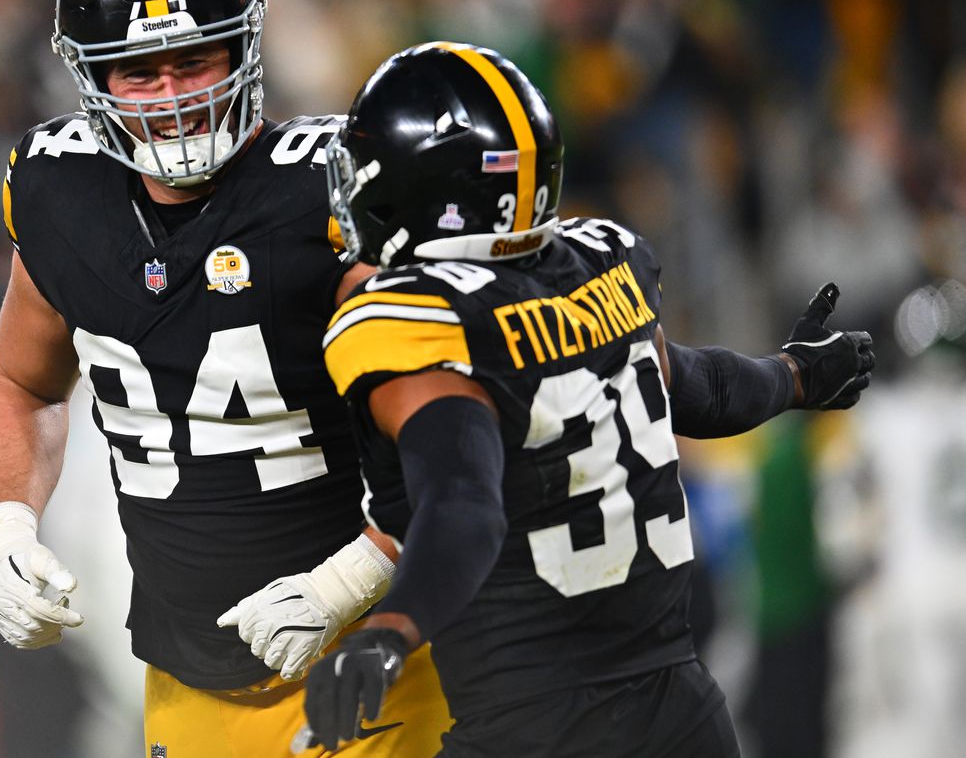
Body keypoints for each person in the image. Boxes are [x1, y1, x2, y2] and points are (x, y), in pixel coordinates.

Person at [296, 41, 875, 757]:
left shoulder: (416, 323)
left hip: (534, 729)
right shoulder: (602, 264)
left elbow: (463, 503)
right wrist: (793, 375)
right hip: (685, 716)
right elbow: (695, 385)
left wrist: (390, 632)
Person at [0, 0, 450, 757]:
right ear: (91, 79)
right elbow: (24, 385)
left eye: (195, 62)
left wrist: (354, 579)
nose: (174, 98)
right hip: (188, 675)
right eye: (140, 72)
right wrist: (9, 522)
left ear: (243, 49)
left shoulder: (335, 193)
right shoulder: (56, 193)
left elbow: (459, 435)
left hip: (376, 657)